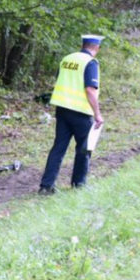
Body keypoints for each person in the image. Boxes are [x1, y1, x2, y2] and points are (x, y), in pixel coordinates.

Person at [38, 34, 105, 194]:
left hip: (62, 109)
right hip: (81, 112)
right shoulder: (91, 63)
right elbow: (90, 89)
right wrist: (97, 114)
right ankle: (78, 184)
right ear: (96, 48)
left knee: (58, 147)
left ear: (83, 44)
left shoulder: (67, 59)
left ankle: (46, 186)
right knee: (84, 148)